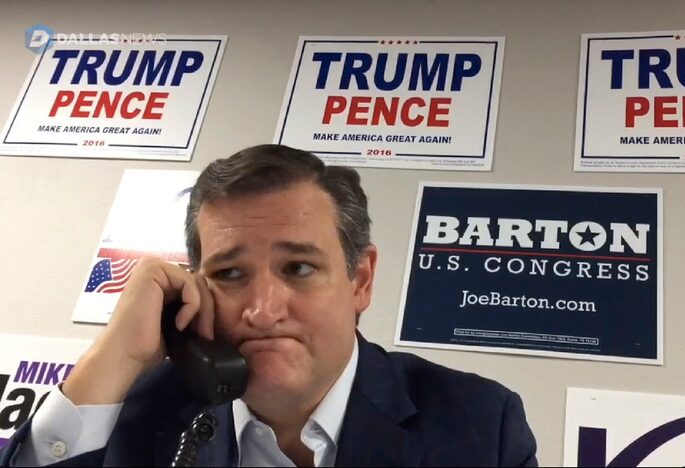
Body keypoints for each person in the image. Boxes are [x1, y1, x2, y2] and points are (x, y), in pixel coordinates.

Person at [0, 144, 537, 467]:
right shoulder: (137, 415)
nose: (260, 309)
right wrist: (108, 361)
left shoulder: (479, 425)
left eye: (298, 268)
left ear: (360, 280)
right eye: (229, 274)